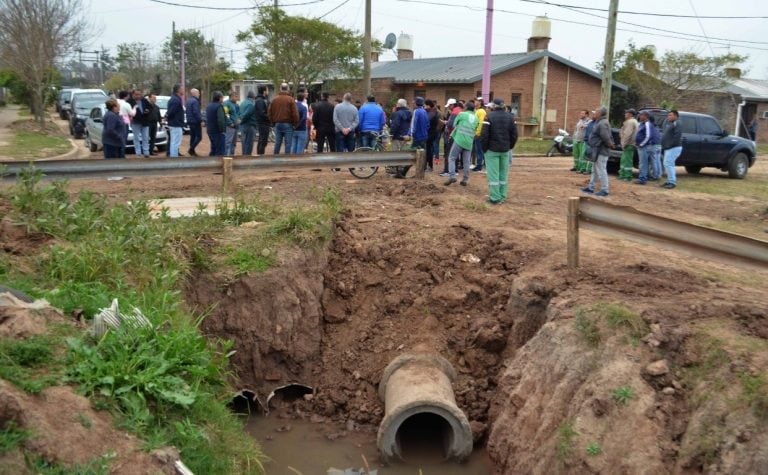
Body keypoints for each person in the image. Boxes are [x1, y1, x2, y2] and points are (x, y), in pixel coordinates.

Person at [480, 98, 518, 204]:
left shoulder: (489, 117)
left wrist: (484, 148)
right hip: (505, 149)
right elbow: (514, 134)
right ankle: (502, 195)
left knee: (493, 175)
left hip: (492, 150)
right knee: (503, 174)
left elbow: (484, 135)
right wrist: (510, 146)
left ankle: (495, 198)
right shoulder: (511, 117)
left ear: (493, 106)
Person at [581, 106, 614, 197]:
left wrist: (610, 144)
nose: (594, 113)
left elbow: (605, 136)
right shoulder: (600, 122)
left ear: (600, 113)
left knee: (601, 170)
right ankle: (591, 187)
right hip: (597, 150)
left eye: (596, 112)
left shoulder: (602, 123)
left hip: (601, 151)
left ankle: (605, 190)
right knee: (595, 170)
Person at [444, 101, 477, 187]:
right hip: (469, 142)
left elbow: (454, 124)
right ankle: (465, 179)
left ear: (466, 108)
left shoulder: (462, 114)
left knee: (452, 158)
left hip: (459, 139)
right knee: (466, 161)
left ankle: (452, 176)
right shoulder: (476, 118)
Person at [268, 83, 299, 154]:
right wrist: (295, 124)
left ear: (280, 89)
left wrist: (272, 122)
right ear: (288, 89)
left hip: (277, 124)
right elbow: (295, 113)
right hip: (288, 124)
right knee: (288, 144)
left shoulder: (274, 99)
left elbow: (269, 112)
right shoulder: (290, 99)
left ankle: (275, 159)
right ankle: (287, 161)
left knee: (277, 143)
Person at [404, 96, 429, 178]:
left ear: (416, 103)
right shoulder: (424, 111)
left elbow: (413, 125)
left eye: (413, 102)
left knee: (412, 155)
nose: (413, 104)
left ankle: (403, 172)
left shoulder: (416, 111)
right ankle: (421, 173)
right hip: (424, 136)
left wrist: (409, 134)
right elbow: (428, 125)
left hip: (417, 137)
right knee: (422, 155)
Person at [634, 110, 660, 185]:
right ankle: (651, 176)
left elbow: (648, 136)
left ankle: (642, 179)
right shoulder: (642, 124)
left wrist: (641, 144)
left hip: (646, 146)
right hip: (647, 146)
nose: (639, 116)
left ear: (646, 116)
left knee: (643, 163)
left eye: (641, 115)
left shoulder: (647, 124)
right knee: (648, 162)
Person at [660, 110, 683, 189]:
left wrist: (669, 145)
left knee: (668, 164)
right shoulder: (671, 123)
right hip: (670, 148)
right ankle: (670, 181)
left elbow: (677, 137)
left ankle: (672, 182)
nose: (668, 117)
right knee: (669, 164)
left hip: (674, 147)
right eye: (668, 115)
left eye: (670, 115)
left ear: (676, 116)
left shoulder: (677, 123)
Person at [619, 108, 639, 181]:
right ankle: (623, 174)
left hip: (628, 144)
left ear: (630, 114)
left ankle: (626, 176)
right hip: (631, 144)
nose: (625, 114)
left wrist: (623, 144)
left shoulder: (630, 122)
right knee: (626, 160)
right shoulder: (634, 121)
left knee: (626, 161)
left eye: (626, 113)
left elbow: (627, 134)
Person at [166, 84, 185, 158]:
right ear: (178, 90)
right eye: (182, 89)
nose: (183, 90)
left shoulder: (175, 98)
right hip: (175, 124)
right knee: (175, 142)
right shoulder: (175, 100)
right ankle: (174, 158)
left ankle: (173, 156)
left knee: (174, 142)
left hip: (174, 123)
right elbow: (171, 112)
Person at [130, 89, 151, 158]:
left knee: (145, 137)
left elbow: (150, 108)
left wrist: (147, 111)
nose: (138, 96)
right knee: (136, 138)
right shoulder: (130, 102)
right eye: (136, 94)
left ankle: (146, 152)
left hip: (145, 121)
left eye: (139, 94)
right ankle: (138, 153)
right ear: (133, 95)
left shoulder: (144, 100)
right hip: (135, 121)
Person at [205, 91, 226, 156]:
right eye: (222, 97)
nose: (223, 99)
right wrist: (222, 130)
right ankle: (218, 164)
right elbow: (221, 120)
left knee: (214, 148)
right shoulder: (219, 106)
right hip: (217, 131)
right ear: (220, 98)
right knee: (220, 150)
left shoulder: (209, 106)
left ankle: (211, 163)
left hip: (210, 130)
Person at [239, 90, 257, 156]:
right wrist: (242, 120)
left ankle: (244, 156)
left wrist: (240, 121)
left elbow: (240, 113)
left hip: (243, 126)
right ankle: (247, 157)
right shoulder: (251, 104)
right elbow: (247, 114)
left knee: (244, 142)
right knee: (249, 143)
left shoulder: (242, 103)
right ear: (253, 97)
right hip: (250, 125)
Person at [186, 88, 203, 156]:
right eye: (198, 93)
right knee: (199, 137)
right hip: (195, 121)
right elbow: (196, 112)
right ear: (195, 93)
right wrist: (200, 120)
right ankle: (191, 150)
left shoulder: (188, 101)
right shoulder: (195, 101)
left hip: (190, 121)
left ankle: (192, 151)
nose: (199, 94)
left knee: (192, 137)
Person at [471, 97, 486, 172]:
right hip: (475, 133)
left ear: (480, 102)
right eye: (475, 101)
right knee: (477, 150)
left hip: (478, 134)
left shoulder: (481, 111)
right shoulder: (476, 110)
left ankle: (479, 165)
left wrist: (477, 133)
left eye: (476, 101)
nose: (475, 102)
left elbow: (480, 123)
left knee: (479, 150)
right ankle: (479, 164)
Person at [425, 99, 440, 172]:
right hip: (432, 133)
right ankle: (428, 165)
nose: (424, 107)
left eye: (425, 105)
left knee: (428, 150)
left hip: (430, 133)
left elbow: (427, 122)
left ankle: (429, 166)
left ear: (428, 105)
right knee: (428, 149)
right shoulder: (433, 112)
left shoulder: (432, 113)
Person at [254, 86, 271, 155]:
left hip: (263, 123)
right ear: (264, 92)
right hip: (263, 123)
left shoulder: (261, 99)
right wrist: (269, 118)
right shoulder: (260, 100)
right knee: (262, 140)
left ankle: (260, 154)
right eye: (267, 90)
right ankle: (260, 155)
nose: (268, 92)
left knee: (262, 140)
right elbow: (262, 113)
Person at [579, 110, 596, 175]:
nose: (593, 116)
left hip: (593, 142)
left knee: (591, 156)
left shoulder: (597, 123)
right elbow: (586, 128)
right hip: (586, 141)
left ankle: (589, 169)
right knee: (584, 155)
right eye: (592, 115)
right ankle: (583, 168)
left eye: (594, 114)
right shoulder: (590, 122)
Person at [223, 91, 240, 155]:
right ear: (231, 96)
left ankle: (232, 155)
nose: (237, 98)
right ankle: (226, 156)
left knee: (234, 143)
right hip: (229, 126)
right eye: (235, 96)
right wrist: (230, 123)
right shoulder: (226, 104)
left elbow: (238, 113)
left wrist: (239, 119)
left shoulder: (236, 104)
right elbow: (226, 114)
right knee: (228, 142)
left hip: (236, 126)